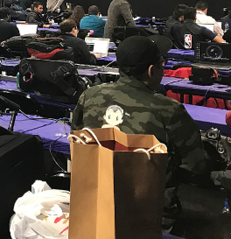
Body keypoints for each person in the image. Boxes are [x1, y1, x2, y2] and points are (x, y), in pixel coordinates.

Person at [72, 35, 211, 228]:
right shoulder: (169, 110)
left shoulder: (89, 95)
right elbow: (196, 166)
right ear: (152, 71)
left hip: (96, 197)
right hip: (151, 210)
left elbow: (78, 140)